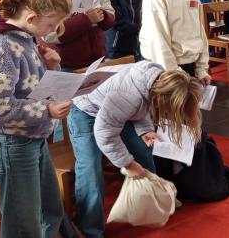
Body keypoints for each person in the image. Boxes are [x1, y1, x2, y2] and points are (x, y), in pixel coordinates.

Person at [0, 0, 73, 237]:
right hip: (11, 144)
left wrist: (52, 67)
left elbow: (30, 88)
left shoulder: (25, 39)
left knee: (50, 212)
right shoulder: (2, 47)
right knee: (22, 226)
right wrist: (46, 111)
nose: (54, 30)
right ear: (32, 18)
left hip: (31, 138)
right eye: (52, 24)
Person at [68, 61, 202, 238]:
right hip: (84, 109)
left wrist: (144, 130)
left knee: (143, 153)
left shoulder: (157, 81)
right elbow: (105, 133)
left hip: (113, 111)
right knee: (90, 167)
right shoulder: (127, 95)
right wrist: (127, 164)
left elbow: (143, 103)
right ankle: (89, 230)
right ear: (163, 98)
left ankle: (152, 202)